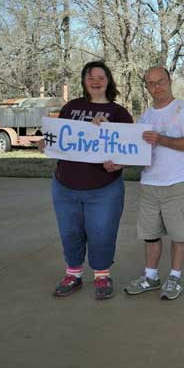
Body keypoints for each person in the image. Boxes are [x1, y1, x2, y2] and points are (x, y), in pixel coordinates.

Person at [40, 61, 133, 300]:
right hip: (65, 185)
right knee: (69, 232)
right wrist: (46, 144)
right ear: (83, 81)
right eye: (90, 77)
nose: (95, 81)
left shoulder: (119, 113)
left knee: (102, 232)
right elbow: (58, 139)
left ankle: (102, 276)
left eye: (101, 77)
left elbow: (130, 150)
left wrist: (119, 162)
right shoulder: (71, 107)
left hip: (104, 188)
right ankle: (73, 274)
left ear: (108, 81)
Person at [123, 67, 184, 301]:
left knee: (179, 235)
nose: (157, 87)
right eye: (151, 83)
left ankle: (174, 277)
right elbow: (135, 148)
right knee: (151, 235)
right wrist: (118, 161)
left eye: (161, 81)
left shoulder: (183, 111)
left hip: (177, 183)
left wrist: (161, 139)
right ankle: (151, 277)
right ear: (146, 86)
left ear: (170, 81)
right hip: (149, 184)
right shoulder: (145, 117)